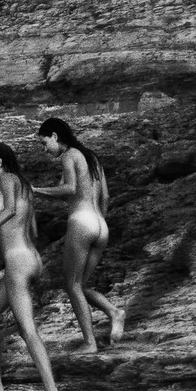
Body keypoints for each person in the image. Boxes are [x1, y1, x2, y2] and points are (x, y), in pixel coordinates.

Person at [0, 142, 62, 391]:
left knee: (27, 329)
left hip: (19, 261)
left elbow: (9, 210)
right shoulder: (25, 185)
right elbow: (32, 228)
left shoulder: (8, 178)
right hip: (29, 258)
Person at [34, 116, 125, 351]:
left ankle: (89, 343)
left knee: (72, 285)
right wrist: (98, 221)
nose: (45, 150)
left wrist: (34, 190)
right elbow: (105, 196)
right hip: (100, 225)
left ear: (55, 136)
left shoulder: (68, 155)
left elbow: (70, 189)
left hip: (82, 223)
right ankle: (114, 312)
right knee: (81, 285)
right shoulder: (92, 157)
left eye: (44, 143)